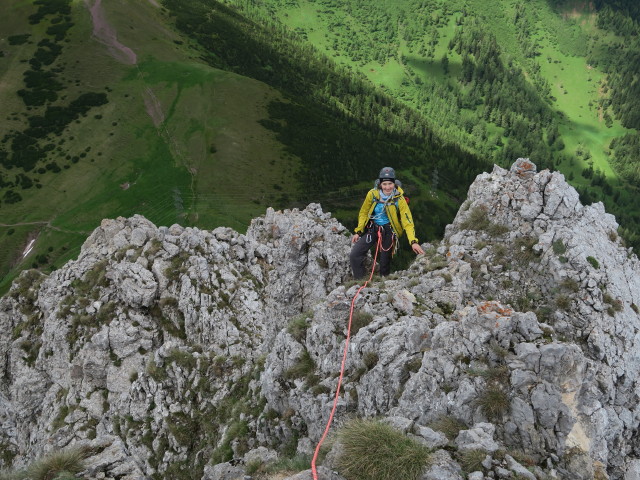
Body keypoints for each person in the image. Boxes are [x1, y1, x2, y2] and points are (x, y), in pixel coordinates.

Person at [350, 167, 425, 279]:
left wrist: (413, 241)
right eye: (384, 184)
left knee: (384, 263)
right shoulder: (373, 194)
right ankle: (359, 281)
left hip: (389, 232)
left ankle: (383, 284)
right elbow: (364, 212)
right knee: (355, 254)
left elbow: (407, 221)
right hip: (373, 229)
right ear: (380, 184)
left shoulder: (399, 199)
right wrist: (359, 231)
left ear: (394, 183)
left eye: (390, 183)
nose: (387, 187)